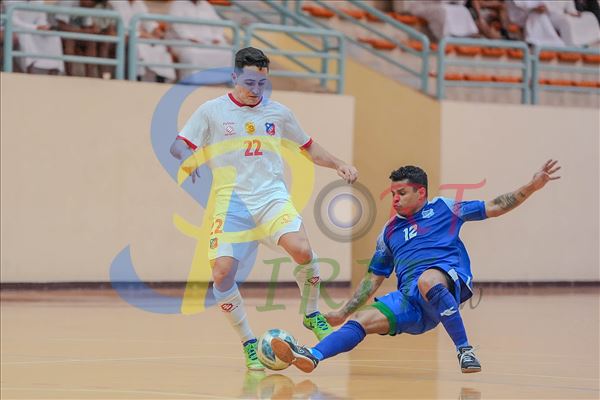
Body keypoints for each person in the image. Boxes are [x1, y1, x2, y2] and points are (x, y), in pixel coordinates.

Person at [271, 160, 561, 374]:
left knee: (427, 280)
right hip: (410, 300)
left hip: (444, 281)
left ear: (421, 193)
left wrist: (532, 186)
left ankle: (465, 350)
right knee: (361, 320)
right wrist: (342, 312)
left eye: (402, 193)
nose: (395, 199)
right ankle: (312, 355)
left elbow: (494, 206)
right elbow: (373, 278)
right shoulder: (389, 232)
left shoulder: (445, 208)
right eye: (393, 194)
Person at [169, 47, 358, 371]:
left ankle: (311, 313)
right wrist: (188, 157)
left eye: (262, 83)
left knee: (302, 250)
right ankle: (248, 343)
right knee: (221, 274)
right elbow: (177, 145)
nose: (255, 90)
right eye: (249, 82)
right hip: (231, 203)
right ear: (235, 77)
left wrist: (338, 163)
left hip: (271, 197)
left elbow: (309, 148)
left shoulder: (279, 113)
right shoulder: (211, 111)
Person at [109, 0, 176, 82]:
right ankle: (136, 78)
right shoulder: (115, 2)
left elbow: (149, 24)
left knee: (160, 47)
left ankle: (160, 79)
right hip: (123, 37)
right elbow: (122, 28)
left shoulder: (139, 3)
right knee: (138, 48)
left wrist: (161, 36)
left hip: (140, 37)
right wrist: (143, 35)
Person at [168, 0, 232, 79]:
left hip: (208, 40)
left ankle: (222, 80)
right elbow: (176, 25)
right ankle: (192, 81)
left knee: (228, 52)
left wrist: (217, 37)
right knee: (192, 54)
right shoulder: (177, 4)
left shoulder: (206, 4)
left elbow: (218, 24)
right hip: (184, 41)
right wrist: (190, 38)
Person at [7, 0, 65, 75]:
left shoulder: (39, 2)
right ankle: (29, 70)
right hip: (16, 30)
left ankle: (54, 69)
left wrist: (44, 27)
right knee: (25, 36)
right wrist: (35, 28)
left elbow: (41, 19)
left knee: (54, 36)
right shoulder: (10, 1)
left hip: (34, 30)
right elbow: (14, 22)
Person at [404, 0, 479, 41]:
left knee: (463, 10)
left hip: (444, 5)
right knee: (443, 11)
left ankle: (465, 34)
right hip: (422, 5)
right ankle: (446, 36)